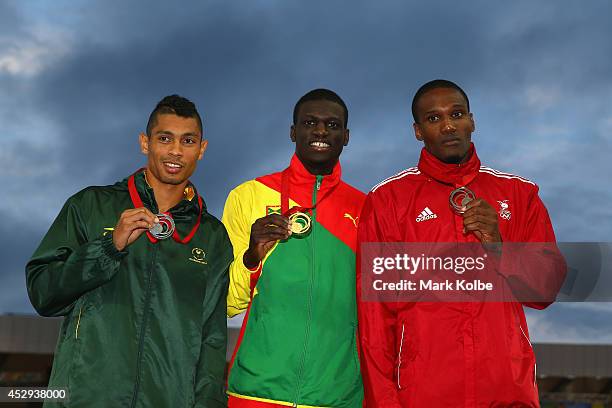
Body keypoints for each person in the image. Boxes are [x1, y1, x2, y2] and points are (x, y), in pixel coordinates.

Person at [357, 80, 566, 407]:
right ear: (418, 131)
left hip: (507, 391)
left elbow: (546, 290)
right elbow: (374, 318)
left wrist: (500, 247)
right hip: (422, 394)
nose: (448, 124)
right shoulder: (388, 201)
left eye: (456, 113)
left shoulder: (520, 194)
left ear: (472, 121)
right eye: (434, 118)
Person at [26, 95, 232, 407]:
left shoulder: (212, 236)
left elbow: (212, 340)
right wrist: (108, 247)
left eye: (187, 141)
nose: (176, 151)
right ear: (145, 143)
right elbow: (43, 294)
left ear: (201, 149)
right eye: (165, 138)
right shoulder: (90, 206)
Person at [222, 89, 365, 407]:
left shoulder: (367, 209)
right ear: (293, 131)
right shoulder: (248, 196)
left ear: (346, 136)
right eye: (310, 122)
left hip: (338, 396)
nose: (320, 131)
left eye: (332, 124)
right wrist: (252, 257)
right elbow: (226, 303)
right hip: (257, 391)